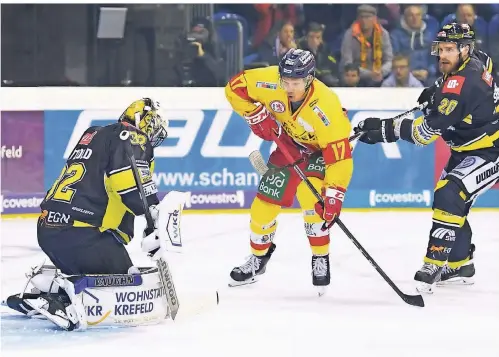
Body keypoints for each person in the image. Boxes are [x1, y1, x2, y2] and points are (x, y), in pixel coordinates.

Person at [354, 23, 499, 293]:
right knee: (452, 204)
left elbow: (423, 134)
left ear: (464, 50)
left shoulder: (462, 86)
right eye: (440, 49)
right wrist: (436, 90)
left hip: (490, 151)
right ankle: (460, 265)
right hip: (467, 147)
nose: (442, 55)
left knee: (449, 196)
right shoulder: (475, 59)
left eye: (448, 50)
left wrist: (383, 130)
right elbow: (486, 64)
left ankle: (434, 264)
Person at [5, 98, 171, 330]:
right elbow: (132, 187)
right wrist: (153, 218)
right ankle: (62, 299)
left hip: (49, 231)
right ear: (147, 123)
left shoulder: (94, 135)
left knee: (101, 272)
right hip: (85, 235)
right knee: (127, 285)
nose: (152, 139)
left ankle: (47, 290)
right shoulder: (132, 137)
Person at [225, 48, 353, 295]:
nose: (289, 88)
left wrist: (335, 194)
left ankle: (320, 256)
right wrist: (254, 114)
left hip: (319, 153)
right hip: (287, 147)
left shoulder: (326, 105)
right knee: (262, 207)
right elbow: (233, 88)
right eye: (285, 81)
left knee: (312, 197)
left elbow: (339, 158)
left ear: (309, 79)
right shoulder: (269, 80)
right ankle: (257, 259)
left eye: (295, 82)